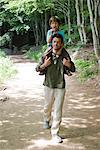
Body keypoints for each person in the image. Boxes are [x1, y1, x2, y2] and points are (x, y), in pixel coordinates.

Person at [36, 33, 75, 143]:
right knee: (47, 107)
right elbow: (37, 68)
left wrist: (68, 65)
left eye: (58, 42)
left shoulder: (65, 56)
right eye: (54, 42)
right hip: (48, 85)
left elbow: (73, 69)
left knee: (58, 110)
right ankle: (46, 119)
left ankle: (55, 133)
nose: (56, 44)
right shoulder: (46, 56)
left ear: (62, 44)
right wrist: (45, 65)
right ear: (51, 43)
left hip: (60, 86)